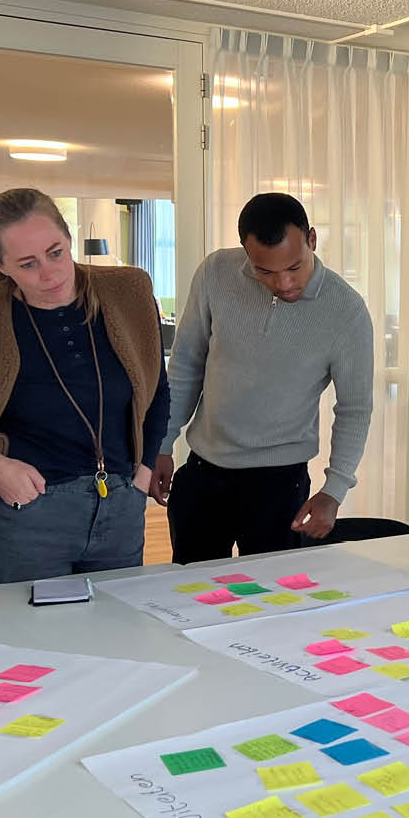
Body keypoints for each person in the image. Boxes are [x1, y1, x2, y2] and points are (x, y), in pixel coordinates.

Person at [0, 188, 169, 586]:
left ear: (68, 238)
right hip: (24, 516)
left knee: (115, 637)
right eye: (28, 263)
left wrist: (141, 472)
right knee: (14, 642)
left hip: (120, 508)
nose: (50, 273)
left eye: (56, 252)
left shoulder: (130, 292)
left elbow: (156, 388)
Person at [153, 192, 373, 561]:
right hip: (203, 473)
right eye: (265, 272)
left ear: (312, 240)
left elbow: (355, 408)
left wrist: (334, 491)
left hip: (278, 484)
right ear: (245, 252)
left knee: (276, 602)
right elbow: (187, 365)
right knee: (194, 598)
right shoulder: (215, 273)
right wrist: (161, 442)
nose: (284, 284)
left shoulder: (346, 311)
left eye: (294, 267)